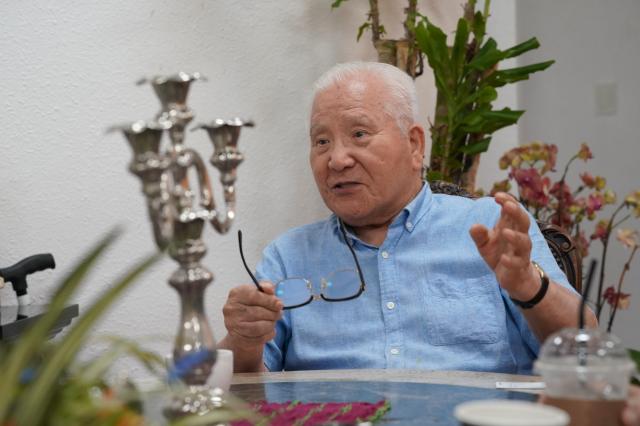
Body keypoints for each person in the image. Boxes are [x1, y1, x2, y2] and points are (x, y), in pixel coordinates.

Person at [218, 61, 597, 374]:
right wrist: (243, 341)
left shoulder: (488, 227)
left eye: (359, 134)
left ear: (415, 144)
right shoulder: (289, 255)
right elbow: (241, 395)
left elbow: (587, 349)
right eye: (321, 141)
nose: (336, 159)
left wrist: (529, 285)